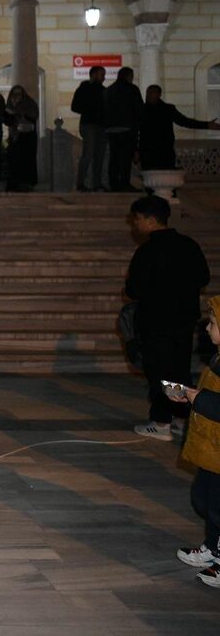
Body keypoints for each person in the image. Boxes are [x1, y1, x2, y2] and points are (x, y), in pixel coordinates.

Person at [125, 195, 210, 440]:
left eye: (138, 219)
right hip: (183, 320)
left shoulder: (148, 251)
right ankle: (182, 418)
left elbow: (133, 289)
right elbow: (203, 277)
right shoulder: (188, 245)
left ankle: (161, 422)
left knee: (159, 372)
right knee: (178, 369)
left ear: (151, 221)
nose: (135, 225)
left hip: (155, 322)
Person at [173, 296, 220, 587]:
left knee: (217, 504)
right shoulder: (217, 357)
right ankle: (213, 546)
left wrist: (197, 398)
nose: (207, 327)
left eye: (213, 323)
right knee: (205, 498)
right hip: (212, 447)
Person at [138, 84, 220, 171]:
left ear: (159, 94)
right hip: (149, 153)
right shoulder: (143, 109)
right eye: (148, 93)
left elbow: (185, 122)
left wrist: (206, 125)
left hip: (163, 152)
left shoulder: (167, 109)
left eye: (151, 93)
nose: (148, 95)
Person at [105, 66, 144, 192]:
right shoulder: (132, 89)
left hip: (111, 129)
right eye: (131, 76)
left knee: (114, 158)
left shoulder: (109, 90)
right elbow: (139, 109)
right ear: (128, 76)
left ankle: (113, 184)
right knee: (126, 158)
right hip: (127, 128)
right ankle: (124, 184)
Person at [72, 65, 107, 191]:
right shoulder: (84, 88)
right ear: (93, 75)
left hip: (102, 125)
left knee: (100, 155)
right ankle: (80, 183)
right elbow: (75, 106)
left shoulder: (104, 90)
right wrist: (91, 108)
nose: (104, 77)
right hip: (89, 124)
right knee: (89, 153)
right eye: (101, 74)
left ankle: (96, 183)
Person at [3, 85, 39, 191]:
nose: (16, 96)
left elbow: (33, 117)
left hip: (28, 136)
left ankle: (27, 183)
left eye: (18, 94)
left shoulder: (30, 103)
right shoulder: (9, 104)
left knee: (27, 160)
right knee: (14, 161)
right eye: (14, 94)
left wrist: (20, 114)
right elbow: (7, 120)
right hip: (15, 136)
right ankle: (14, 184)